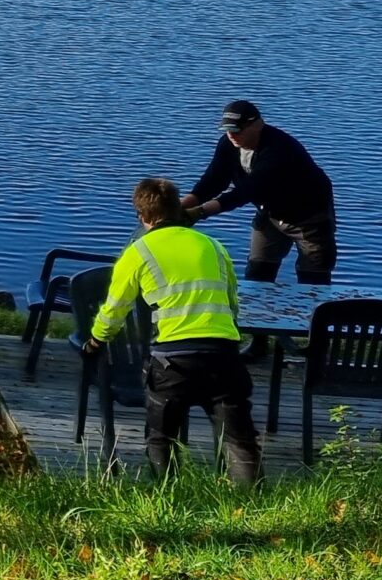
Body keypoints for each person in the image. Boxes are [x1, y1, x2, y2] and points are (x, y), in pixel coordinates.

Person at [87, 176, 260, 484]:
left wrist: (96, 340)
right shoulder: (213, 246)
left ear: (143, 217)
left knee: (161, 438)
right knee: (239, 440)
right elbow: (232, 302)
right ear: (179, 208)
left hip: (172, 360)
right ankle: (253, 507)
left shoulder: (138, 252)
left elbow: (114, 309)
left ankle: (168, 500)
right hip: (223, 355)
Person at [185, 99, 336, 283]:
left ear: (257, 125)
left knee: (313, 281)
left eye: (237, 129)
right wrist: (181, 205)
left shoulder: (279, 149)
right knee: (257, 274)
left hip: (309, 217)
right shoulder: (228, 144)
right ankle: (260, 311)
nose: (232, 135)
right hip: (270, 214)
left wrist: (199, 213)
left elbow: (248, 190)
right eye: (228, 130)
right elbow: (214, 180)